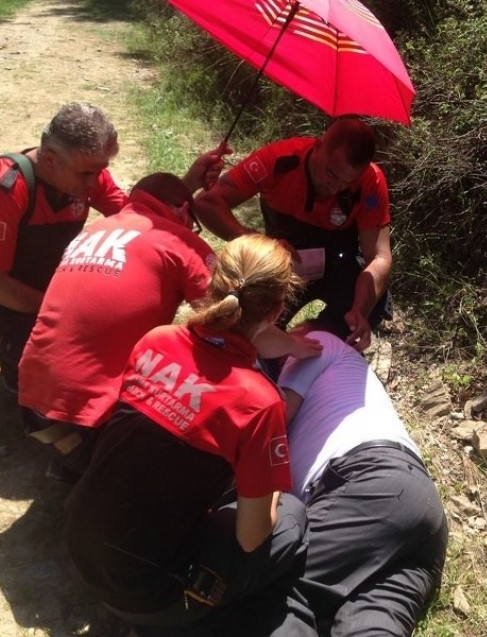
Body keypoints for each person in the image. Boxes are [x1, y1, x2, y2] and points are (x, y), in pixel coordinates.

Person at [62, 234, 310, 632]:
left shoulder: (156, 340)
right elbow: (251, 537)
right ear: (277, 310)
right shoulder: (259, 402)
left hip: (80, 545)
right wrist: (273, 484)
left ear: (212, 285)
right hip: (146, 595)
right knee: (292, 518)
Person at [206, 323, 448, 637]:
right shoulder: (333, 395)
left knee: (274, 587)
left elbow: (270, 421)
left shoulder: (316, 344)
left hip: (369, 481)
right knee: (373, 622)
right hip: (417, 511)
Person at [0, 102, 223, 391]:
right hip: (0, 303)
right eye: (86, 174)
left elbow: (137, 220)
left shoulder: (85, 175)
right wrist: (66, 312)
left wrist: (185, 186)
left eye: (101, 171)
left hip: (51, 288)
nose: (95, 182)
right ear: (49, 159)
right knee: (60, 371)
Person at [16, 171, 216, 480]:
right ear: (183, 209)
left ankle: (72, 462)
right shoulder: (180, 242)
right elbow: (226, 324)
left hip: (33, 400)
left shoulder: (94, 230)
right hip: (88, 420)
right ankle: (101, 475)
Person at [194, 118, 393, 352]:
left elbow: (379, 257)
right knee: (245, 329)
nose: (335, 186)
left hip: (338, 263)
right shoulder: (280, 159)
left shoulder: (371, 180)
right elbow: (207, 203)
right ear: (317, 146)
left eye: (347, 181)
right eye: (330, 173)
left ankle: (317, 339)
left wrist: (360, 310)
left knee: (369, 306)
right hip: (283, 264)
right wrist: (257, 242)